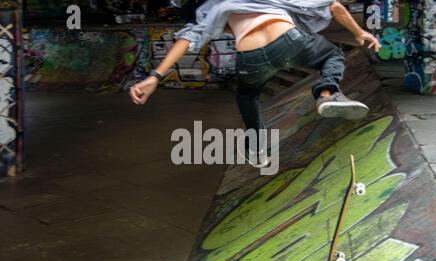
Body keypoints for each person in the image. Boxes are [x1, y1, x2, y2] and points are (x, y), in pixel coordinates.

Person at [129, 0, 381, 167]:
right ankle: (327, 94)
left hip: (250, 57)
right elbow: (334, 5)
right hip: (288, 41)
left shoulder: (214, 5)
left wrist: (154, 77)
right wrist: (359, 33)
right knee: (332, 55)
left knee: (247, 95)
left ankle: (257, 148)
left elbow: (187, 39)